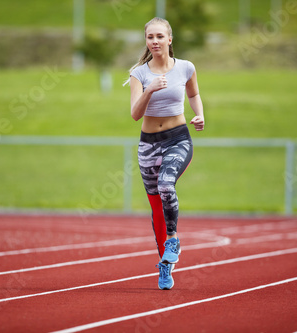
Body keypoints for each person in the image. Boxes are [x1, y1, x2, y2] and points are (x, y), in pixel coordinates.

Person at [127, 17, 205, 290]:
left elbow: (194, 94)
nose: (155, 41)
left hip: (177, 139)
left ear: (170, 39)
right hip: (149, 143)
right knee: (156, 208)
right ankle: (165, 264)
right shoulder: (139, 74)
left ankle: (173, 239)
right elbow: (135, 115)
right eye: (151, 37)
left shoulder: (185, 68)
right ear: (146, 41)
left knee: (166, 184)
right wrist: (149, 90)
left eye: (160, 36)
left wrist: (200, 115)